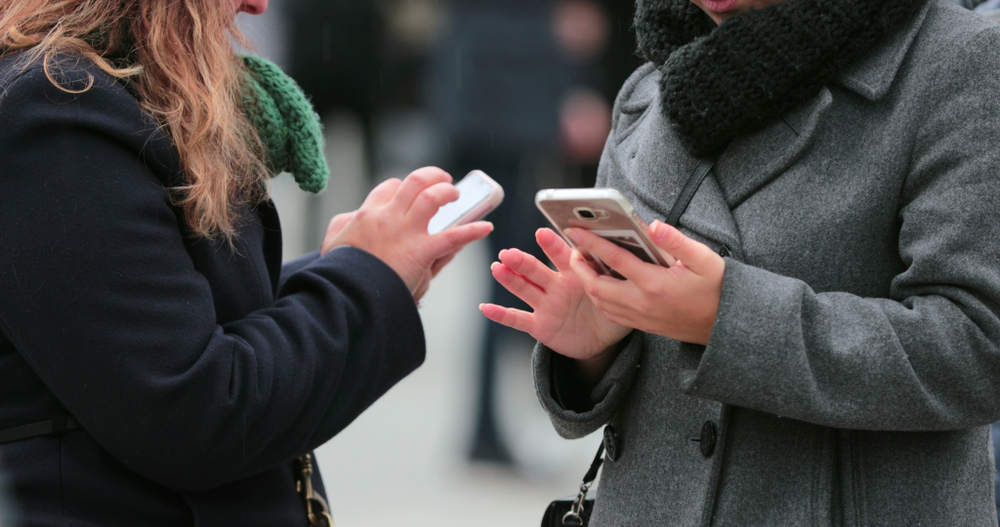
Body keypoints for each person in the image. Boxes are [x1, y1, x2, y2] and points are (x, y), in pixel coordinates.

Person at [481, 0, 1000, 524]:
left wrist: (727, 318)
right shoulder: (652, 83)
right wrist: (595, 348)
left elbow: (980, 347)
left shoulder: (957, 60)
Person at [0, 0, 492, 525]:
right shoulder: (56, 107)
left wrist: (351, 268)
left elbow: (174, 312)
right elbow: (193, 412)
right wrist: (364, 281)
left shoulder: (94, 93)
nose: (256, 5)